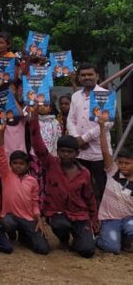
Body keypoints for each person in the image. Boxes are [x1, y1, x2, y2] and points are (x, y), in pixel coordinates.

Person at [29, 108, 97, 258]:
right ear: (58, 151)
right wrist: (34, 116)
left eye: (70, 151)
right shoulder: (51, 164)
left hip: (80, 214)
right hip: (57, 213)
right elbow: (37, 144)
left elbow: (90, 197)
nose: (66, 154)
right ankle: (64, 239)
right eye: (62, 151)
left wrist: (94, 219)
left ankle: (80, 238)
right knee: (60, 224)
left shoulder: (84, 173)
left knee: (87, 251)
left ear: (77, 153)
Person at [0, 121, 50, 254]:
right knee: (7, 223)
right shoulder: (6, 175)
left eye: (21, 163)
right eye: (15, 163)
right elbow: (1, 155)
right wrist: (1, 133)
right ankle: (8, 235)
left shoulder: (32, 181)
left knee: (43, 249)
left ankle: (24, 237)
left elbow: (34, 202)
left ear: (27, 165)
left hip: (28, 218)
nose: (18, 166)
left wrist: (38, 219)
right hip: (10, 217)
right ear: (10, 164)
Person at [66, 63, 111, 202]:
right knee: (81, 185)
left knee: (103, 186)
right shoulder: (75, 96)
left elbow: (108, 123)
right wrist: (76, 139)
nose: (87, 77)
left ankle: (103, 217)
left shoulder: (105, 95)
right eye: (83, 75)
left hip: (99, 152)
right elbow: (70, 120)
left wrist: (84, 139)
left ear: (97, 76)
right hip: (80, 151)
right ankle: (84, 214)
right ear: (79, 78)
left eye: (90, 74)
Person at [95, 116, 133, 254]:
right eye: (120, 162)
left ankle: (126, 241)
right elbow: (105, 151)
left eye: (127, 163)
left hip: (129, 219)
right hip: (110, 219)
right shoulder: (113, 171)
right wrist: (101, 129)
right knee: (112, 248)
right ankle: (98, 239)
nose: (122, 166)